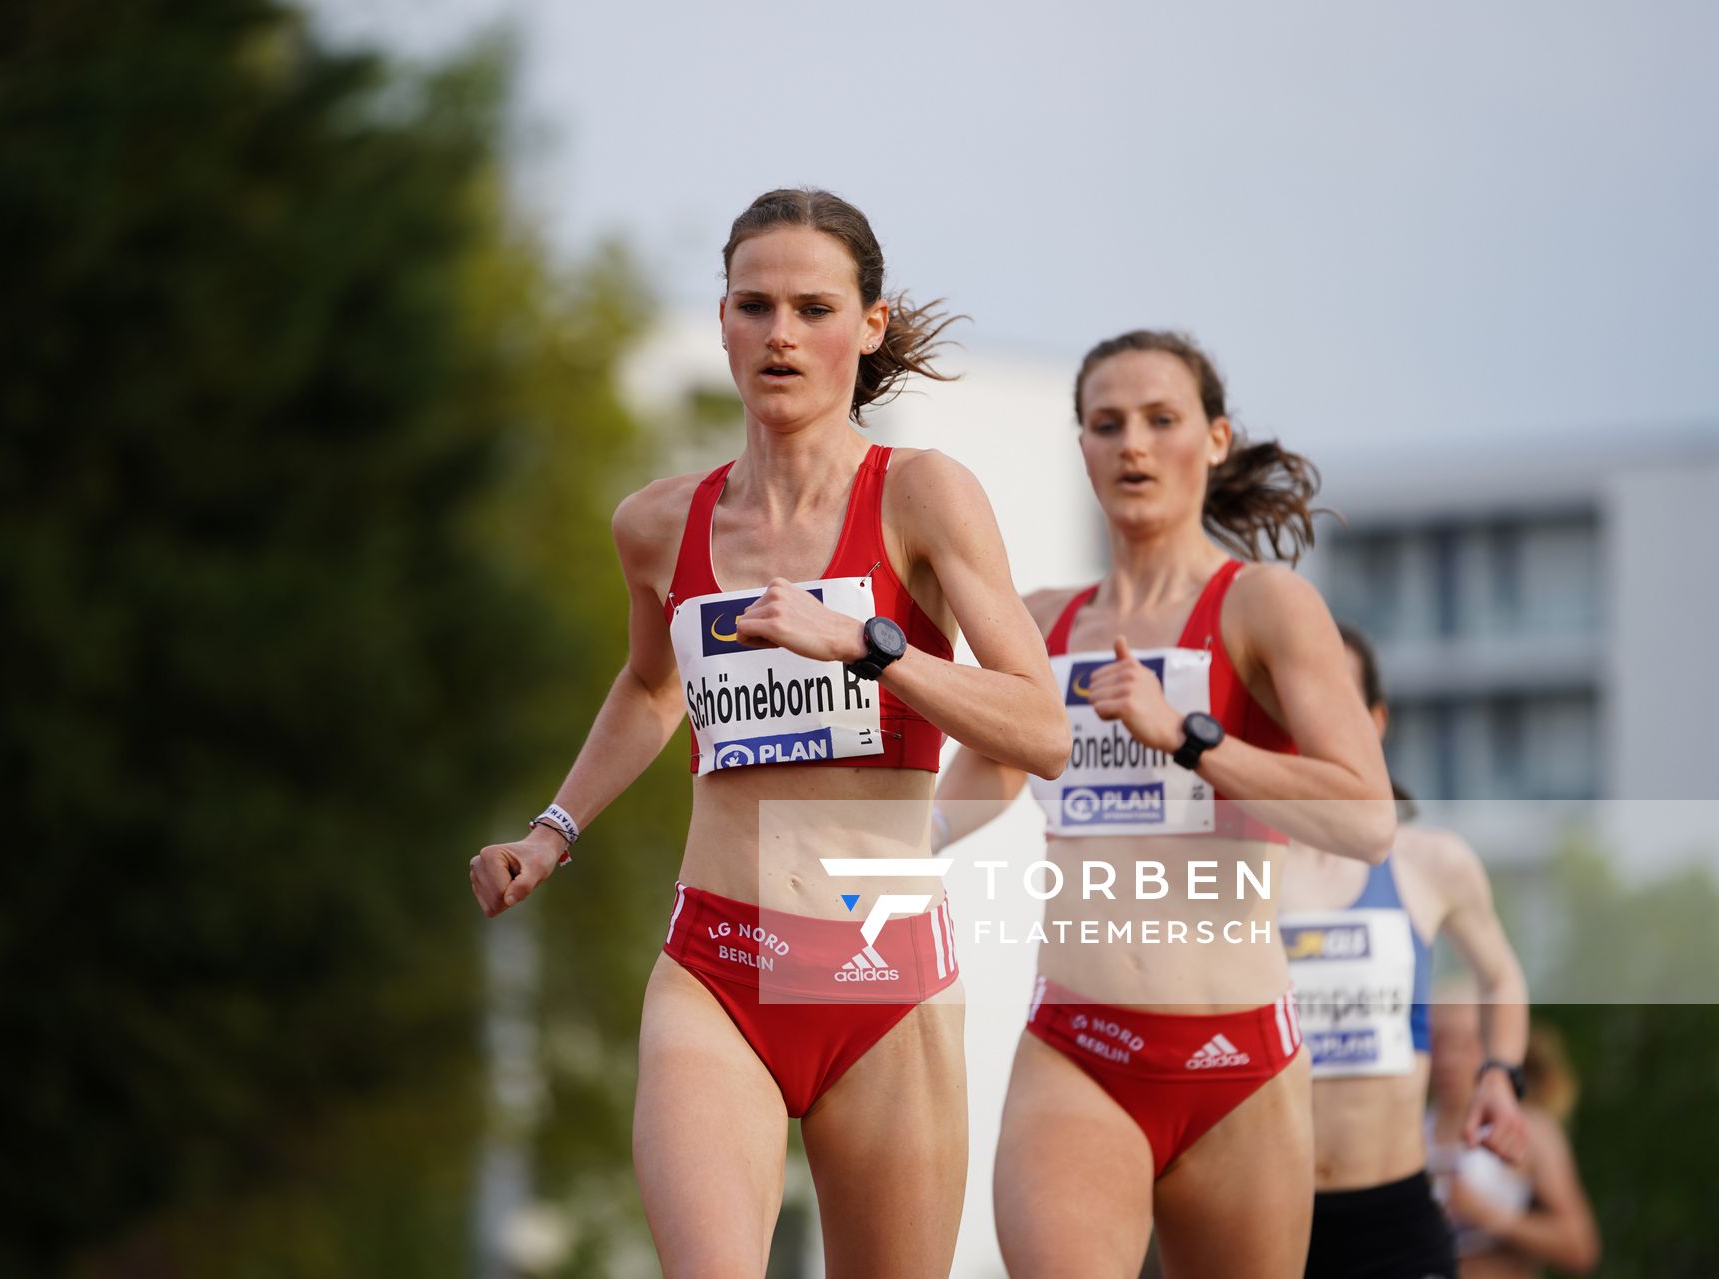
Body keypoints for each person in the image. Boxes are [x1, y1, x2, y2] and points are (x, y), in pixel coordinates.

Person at [468, 187, 1068, 1278]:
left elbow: (1040, 728)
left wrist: (871, 645)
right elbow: (652, 691)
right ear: (723, 319)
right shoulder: (657, 523)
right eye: (754, 305)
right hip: (718, 969)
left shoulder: (923, 497)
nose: (780, 334)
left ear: (870, 324)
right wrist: (551, 832)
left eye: (813, 307)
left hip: (882, 978)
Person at [935, 329, 1395, 1278]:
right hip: (1080, 1050)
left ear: (1216, 438)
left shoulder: (1263, 605)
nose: (1133, 445)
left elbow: (1365, 815)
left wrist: (1191, 738)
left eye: (1161, 420)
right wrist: (860, 860)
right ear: (1083, 449)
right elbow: (973, 790)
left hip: (1242, 1061)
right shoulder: (1041, 621)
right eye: (1107, 424)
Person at [1281, 624, 1531, 1279]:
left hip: (1392, 1215)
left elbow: (1499, 975)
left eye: (1329, 698)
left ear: (1375, 719)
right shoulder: (1238, 869)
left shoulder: (1431, 863)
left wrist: (1500, 1074)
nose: (1307, 718)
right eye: (1286, 697)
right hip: (1264, 1212)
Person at [1430, 1011, 1601, 1277]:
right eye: (1438, 1042)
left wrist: (1488, 1216)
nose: (1448, 1058)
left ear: (1493, 1046)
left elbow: (1580, 1248)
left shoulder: (1531, 1130)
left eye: (1465, 1043)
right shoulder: (1404, 1132)